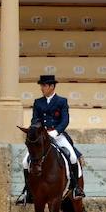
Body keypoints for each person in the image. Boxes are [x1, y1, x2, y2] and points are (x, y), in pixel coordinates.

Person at [17, 74, 85, 204]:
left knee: (72, 157)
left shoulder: (61, 101)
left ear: (51, 86)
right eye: (41, 86)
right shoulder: (38, 102)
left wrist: (56, 132)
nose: (41, 88)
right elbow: (35, 120)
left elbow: (65, 120)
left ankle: (76, 188)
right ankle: (28, 191)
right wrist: (37, 130)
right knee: (25, 162)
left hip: (58, 135)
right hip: (42, 137)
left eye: (44, 86)